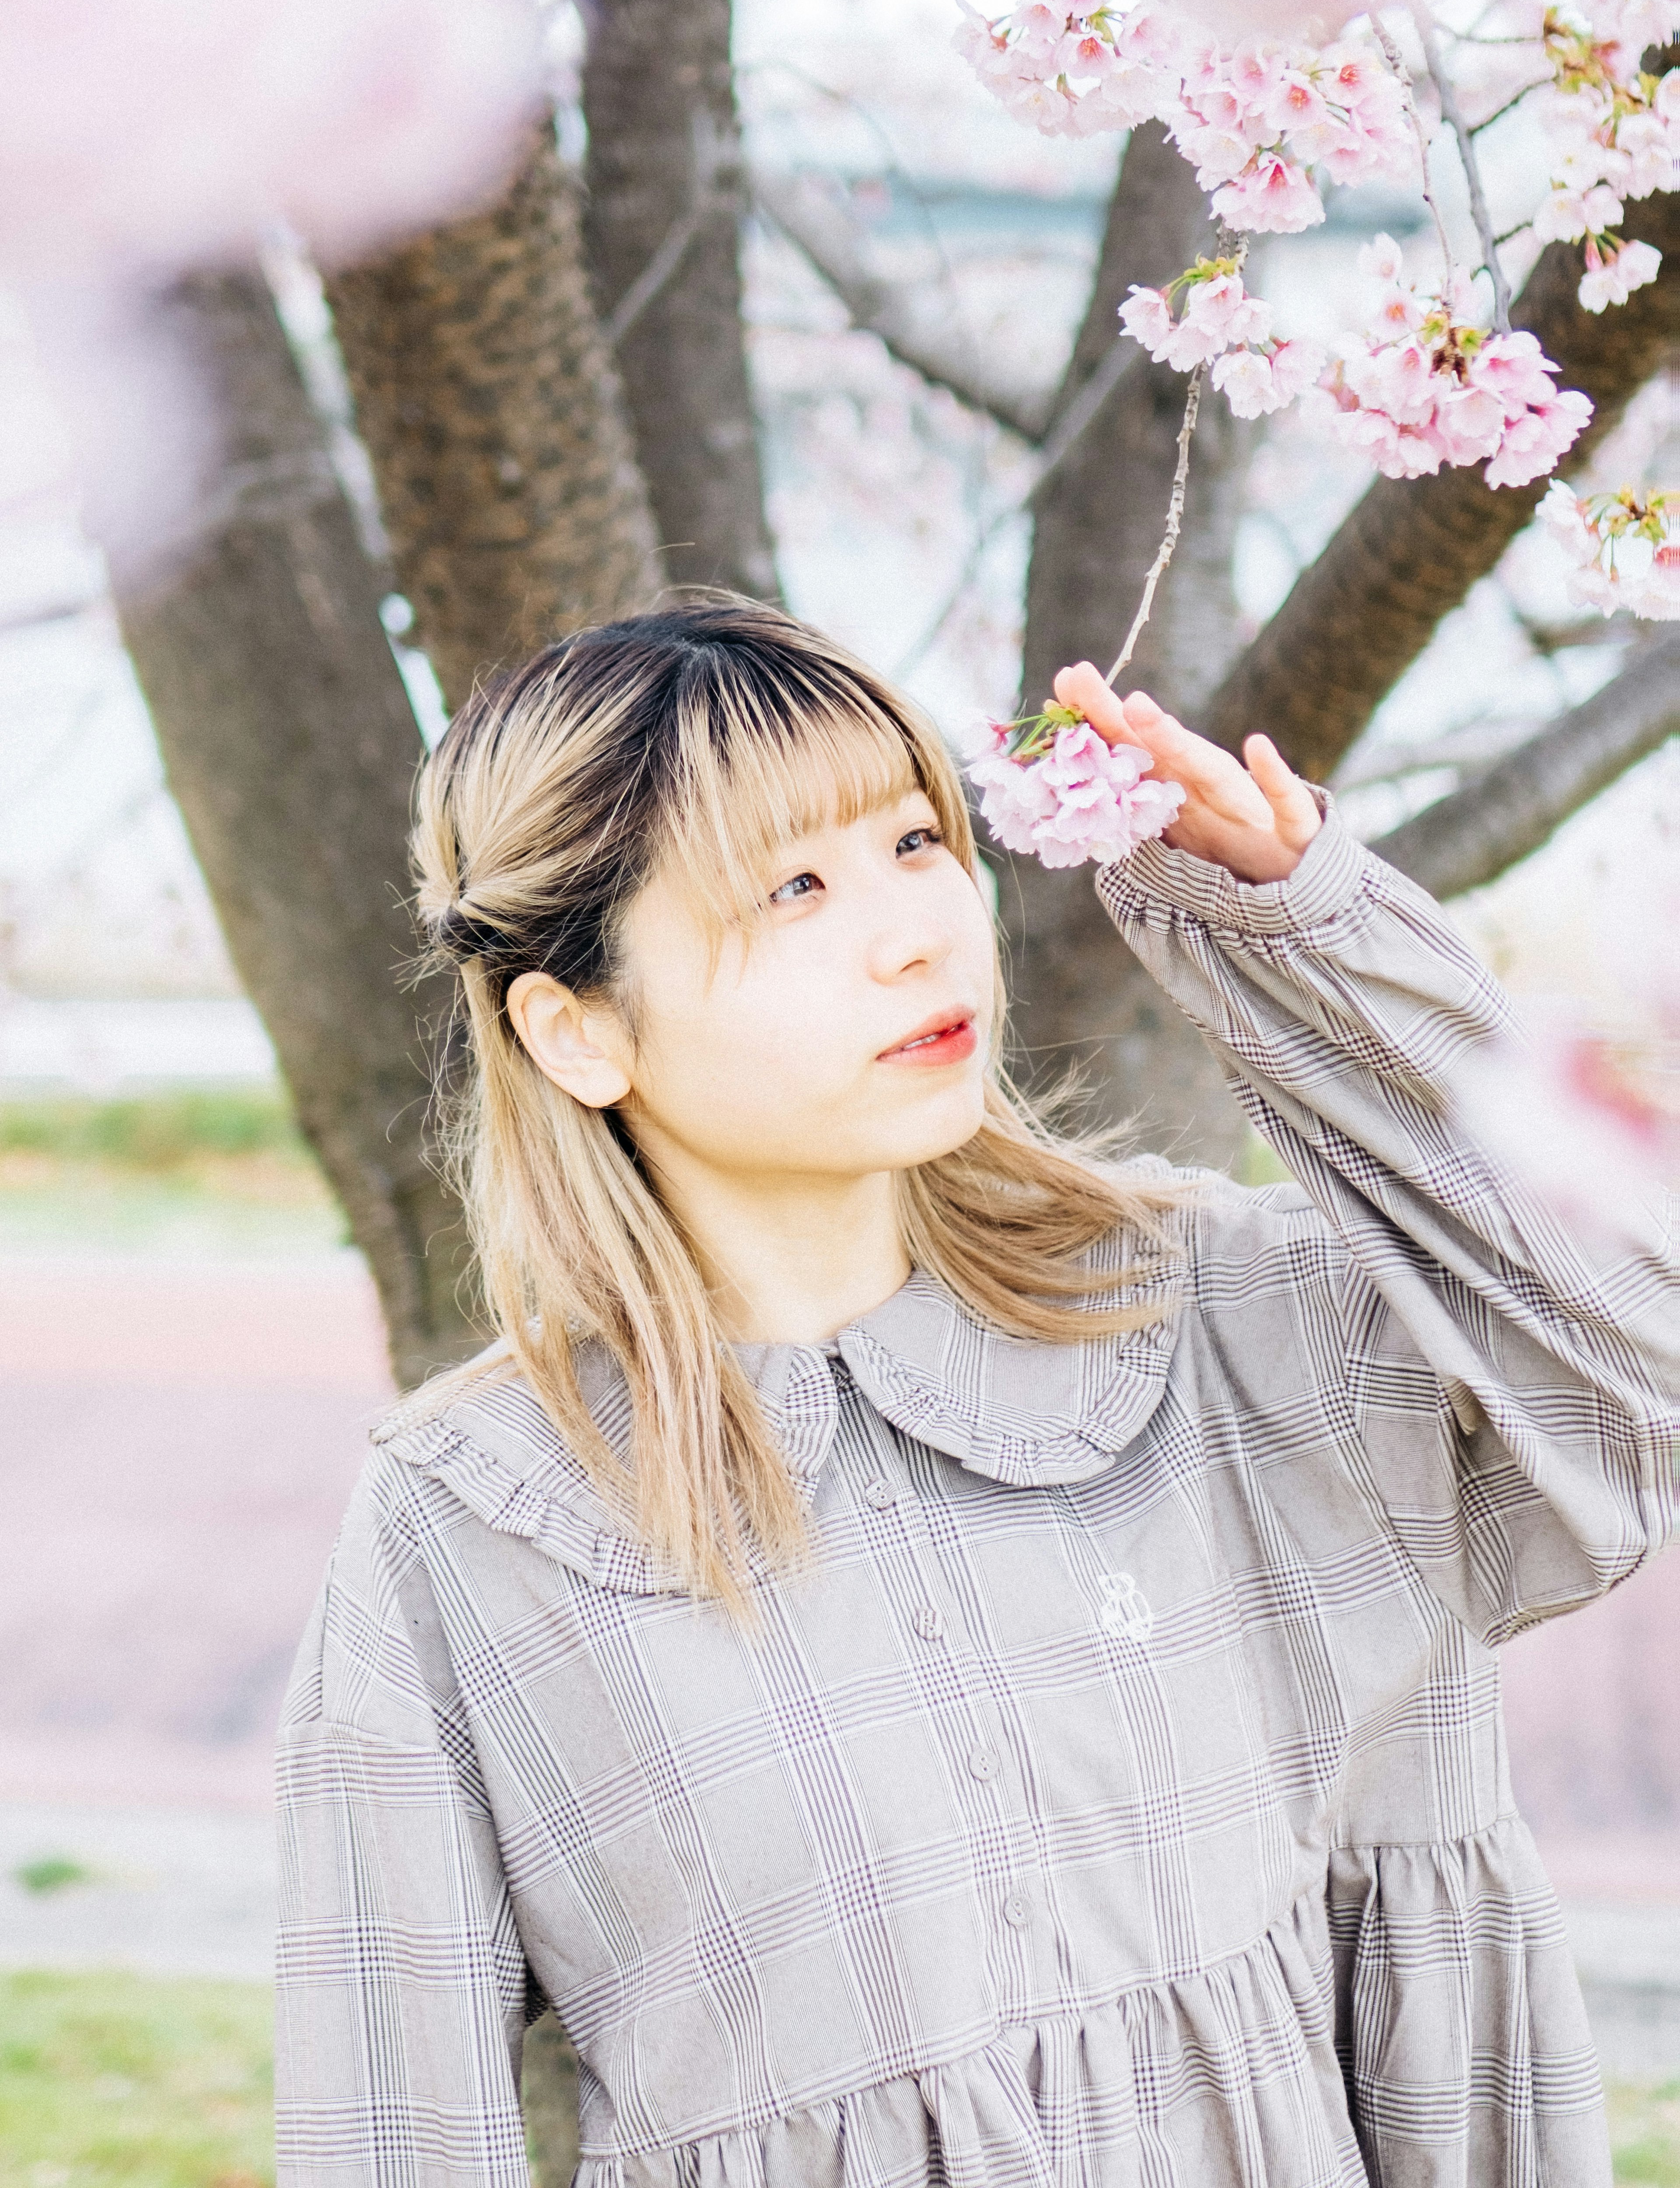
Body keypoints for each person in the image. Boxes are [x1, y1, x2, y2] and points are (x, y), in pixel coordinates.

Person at [273, 594, 1677, 2188]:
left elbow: (1638, 1354)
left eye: (917, 843)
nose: (914, 931)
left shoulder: (1220, 1320)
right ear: (576, 1028)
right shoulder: (477, 1522)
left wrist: (1301, 934)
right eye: (794, 883)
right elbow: (390, 2121)